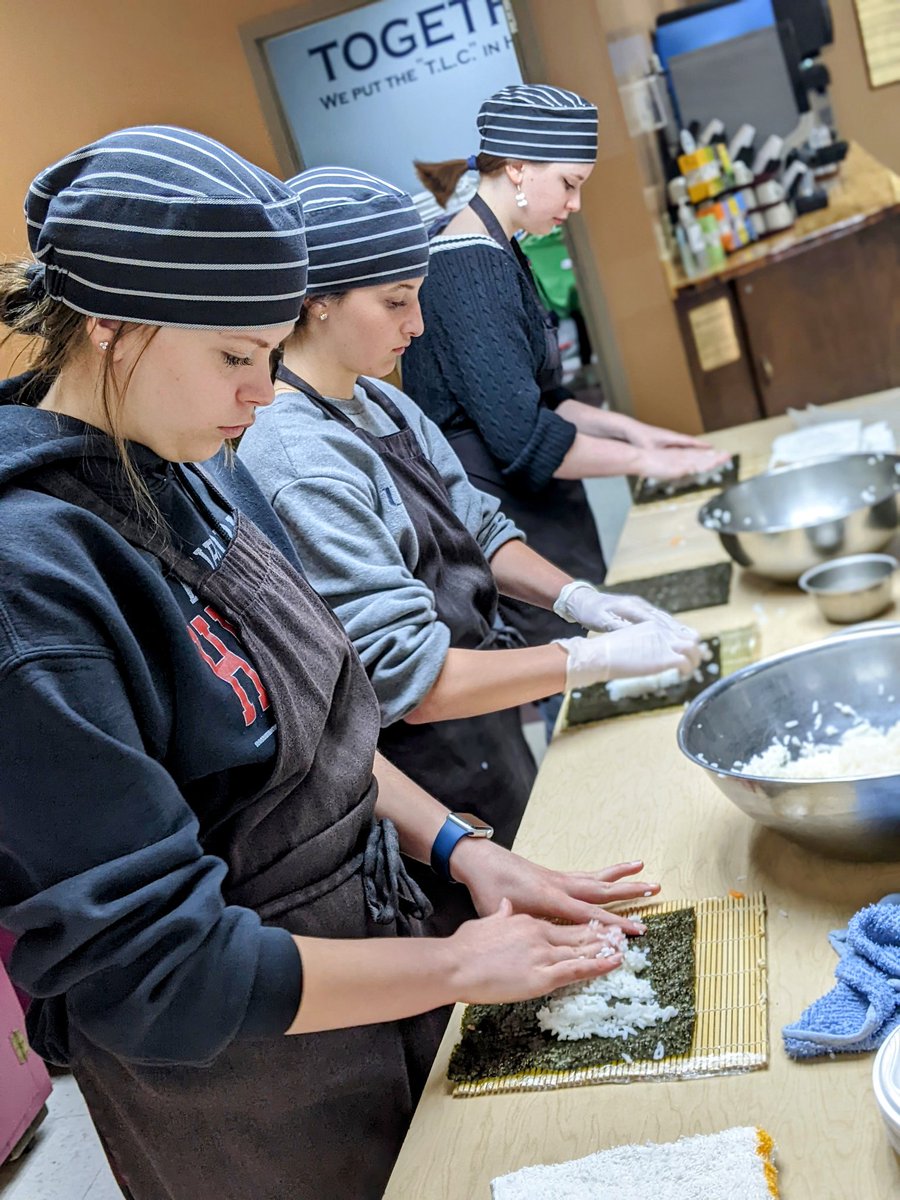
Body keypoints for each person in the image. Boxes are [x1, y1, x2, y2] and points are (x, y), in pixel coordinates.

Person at [0, 127, 661, 1200]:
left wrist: (459, 850)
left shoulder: (182, 462)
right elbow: (162, 971)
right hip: (240, 1086)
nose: (262, 396)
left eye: (268, 355)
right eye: (232, 357)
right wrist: (457, 965)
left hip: (371, 963)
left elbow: (324, 735)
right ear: (111, 327)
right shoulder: (31, 583)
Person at [239, 166, 701, 929]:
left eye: (416, 295)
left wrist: (577, 600)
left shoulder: (378, 396)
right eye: (394, 302)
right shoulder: (295, 455)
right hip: (423, 782)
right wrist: (591, 661)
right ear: (315, 300)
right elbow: (414, 683)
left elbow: (479, 529)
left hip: (485, 731)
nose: (416, 325)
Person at [404, 83, 731, 650]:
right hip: (507, 520)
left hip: (545, 507)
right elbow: (525, 439)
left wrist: (644, 436)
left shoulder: (500, 248)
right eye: (569, 184)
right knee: (572, 666)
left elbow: (548, 398)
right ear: (518, 168)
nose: (575, 205)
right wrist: (645, 462)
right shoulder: (467, 269)